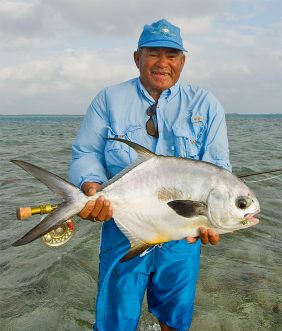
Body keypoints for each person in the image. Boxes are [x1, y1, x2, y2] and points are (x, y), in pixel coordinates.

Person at [69, 19, 231, 331]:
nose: (163, 63)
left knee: (175, 316)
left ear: (182, 61)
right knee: (116, 319)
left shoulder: (206, 105)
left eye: (171, 55)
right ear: (137, 58)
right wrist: (90, 185)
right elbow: (86, 152)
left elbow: (218, 170)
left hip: (184, 233)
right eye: (153, 53)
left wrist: (215, 219)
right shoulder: (109, 100)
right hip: (123, 225)